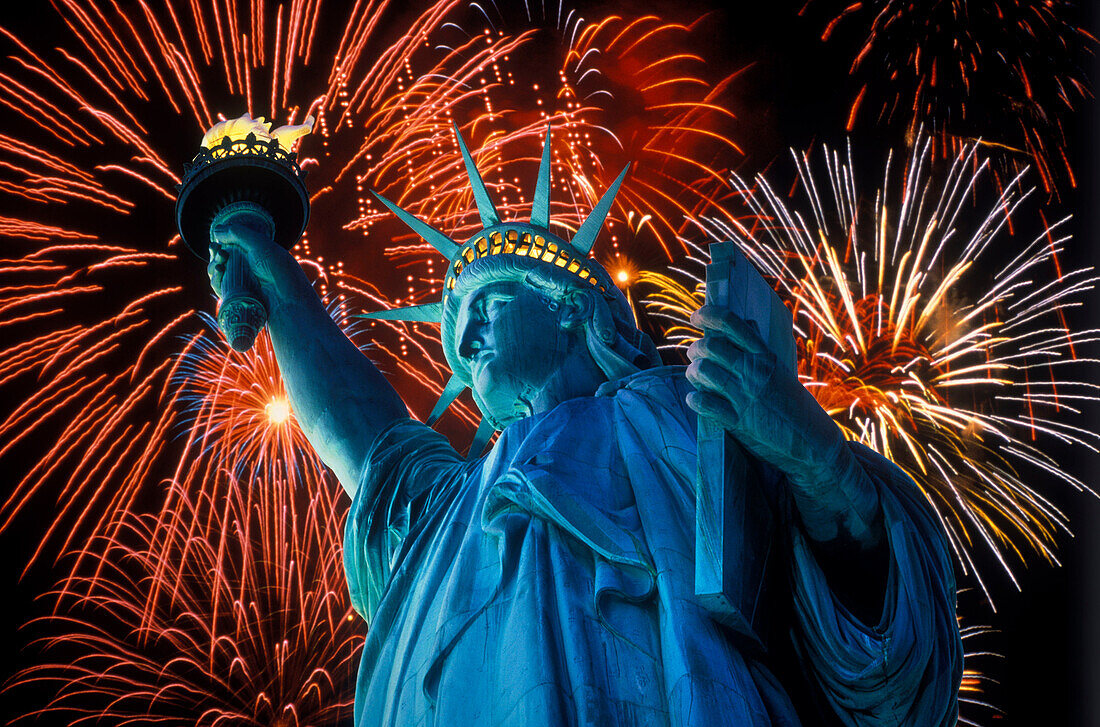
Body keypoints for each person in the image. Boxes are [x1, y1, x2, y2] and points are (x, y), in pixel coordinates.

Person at [207, 130, 962, 726]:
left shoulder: (685, 412)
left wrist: (819, 461)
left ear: (567, 308)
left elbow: (881, 653)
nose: (465, 349)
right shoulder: (455, 504)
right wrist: (273, 272)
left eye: (485, 310)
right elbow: (366, 438)